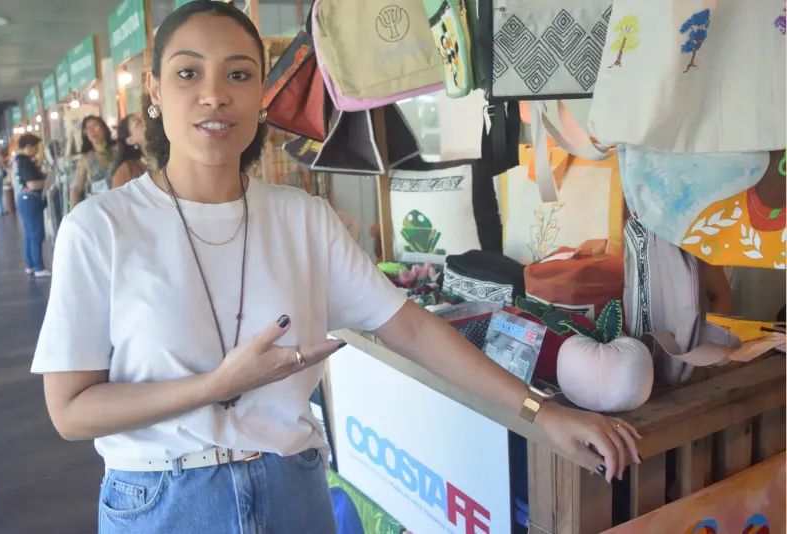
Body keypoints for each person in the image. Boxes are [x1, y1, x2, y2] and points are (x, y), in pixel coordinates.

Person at [31, 2, 641, 533]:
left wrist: (542, 412)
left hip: (291, 490)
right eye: (188, 73)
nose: (214, 94)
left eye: (238, 74)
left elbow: (413, 328)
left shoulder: (302, 218)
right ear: (155, 91)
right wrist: (213, 387)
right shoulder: (101, 228)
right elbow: (71, 410)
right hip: (165, 500)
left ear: (261, 93)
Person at [14, 134, 50, 278]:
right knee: (36, 234)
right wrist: (49, 180)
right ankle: (38, 267)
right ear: (28, 146)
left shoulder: (21, 161)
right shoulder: (26, 163)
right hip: (30, 199)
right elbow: (33, 184)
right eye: (36, 147)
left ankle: (30, 265)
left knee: (30, 234)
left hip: (24, 199)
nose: (37, 150)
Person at [70, 115, 115, 207]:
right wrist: (74, 209)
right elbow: (77, 186)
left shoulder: (118, 151)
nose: (92, 131)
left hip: (120, 200)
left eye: (95, 126)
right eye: (88, 129)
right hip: (98, 205)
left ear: (104, 128)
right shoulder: (85, 159)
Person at [111, 113, 147, 189]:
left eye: (144, 117)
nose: (145, 121)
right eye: (138, 122)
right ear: (130, 140)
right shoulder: (128, 171)